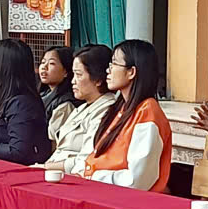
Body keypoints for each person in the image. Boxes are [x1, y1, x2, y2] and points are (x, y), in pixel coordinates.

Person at [84, 39, 173, 192]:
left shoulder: (148, 112)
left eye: (114, 64)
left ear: (131, 72)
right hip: (101, 189)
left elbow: (137, 180)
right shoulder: (119, 109)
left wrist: (95, 176)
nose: (108, 70)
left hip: (125, 199)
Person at [42, 45, 118, 175]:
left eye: (79, 75)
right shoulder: (82, 108)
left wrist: (45, 167)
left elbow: (87, 159)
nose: (73, 81)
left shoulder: (107, 109)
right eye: (73, 75)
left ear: (98, 79)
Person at [39, 45, 78, 138]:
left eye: (51, 63)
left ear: (66, 72)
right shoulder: (43, 94)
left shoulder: (65, 104)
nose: (44, 67)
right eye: (43, 62)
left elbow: (54, 139)